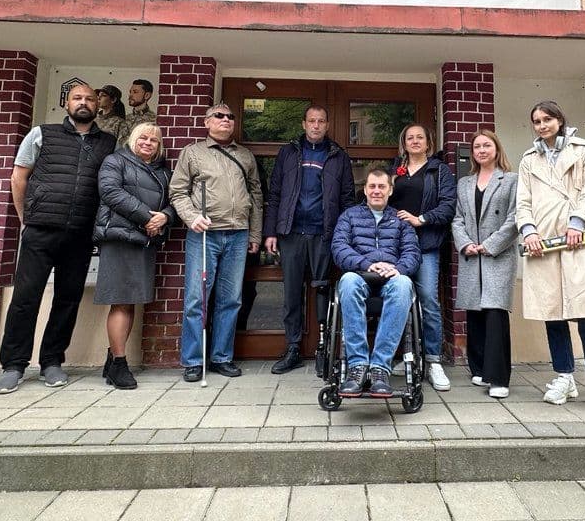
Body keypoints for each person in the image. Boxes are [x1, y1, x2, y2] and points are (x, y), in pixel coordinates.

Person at [0, 83, 117, 394]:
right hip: (41, 229)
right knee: (26, 297)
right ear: (67, 103)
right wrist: (25, 218)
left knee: (67, 299)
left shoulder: (108, 142)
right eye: (77, 98)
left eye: (90, 98)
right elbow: (18, 176)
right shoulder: (42, 134)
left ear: (98, 105)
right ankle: (14, 364)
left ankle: (52, 361)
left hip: (79, 232)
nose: (84, 103)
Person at [517, 100, 585, 415]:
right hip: (543, 245)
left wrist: (578, 222)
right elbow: (523, 200)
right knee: (554, 315)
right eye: (536, 121)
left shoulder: (584, 151)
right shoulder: (528, 160)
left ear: (560, 120)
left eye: (547, 119)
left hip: (578, 243)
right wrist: (529, 232)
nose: (542, 125)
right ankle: (564, 377)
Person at [169, 103, 263, 382]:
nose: (226, 120)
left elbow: (256, 197)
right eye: (219, 116)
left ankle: (222, 356)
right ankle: (194, 360)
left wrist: (255, 234)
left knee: (231, 299)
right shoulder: (193, 152)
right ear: (207, 122)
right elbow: (177, 192)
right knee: (197, 298)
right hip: (204, 234)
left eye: (230, 116)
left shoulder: (245, 155)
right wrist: (191, 217)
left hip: (238, 234)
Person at [263, 105, 355, 374]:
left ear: (327, 125)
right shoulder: (288, 152)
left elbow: (348, 199)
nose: (316, 125)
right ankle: (292, 348)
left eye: (321, 121)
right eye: (311, 121)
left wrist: (345, 235)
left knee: (323, 291)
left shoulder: (339, 156)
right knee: (292, 293)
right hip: (291, 233)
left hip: (324, 234)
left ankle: (323, 349)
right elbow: (275, 194)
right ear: (304, 124)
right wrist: (271, 231)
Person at [93, 122, 177, 390]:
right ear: (132, 139)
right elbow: (110, 192)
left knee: (130, 302)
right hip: (119, 239)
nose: (148, 143)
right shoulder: (115, 161)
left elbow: (175, 201)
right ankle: (119, 363)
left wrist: (165, 216)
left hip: (144, 240)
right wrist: (147, 218)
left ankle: (112, 359)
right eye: (143, 137)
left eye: (154, 140)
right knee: (121, 302)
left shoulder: (163, 172)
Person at [330, 168, 420, 397]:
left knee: (403, 285)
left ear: (390, 190)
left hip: (391, 278)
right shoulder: (349, 216)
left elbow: (412, 253)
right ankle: (358, 367)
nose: (376, 191)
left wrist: (397, 269)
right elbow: (339, 248)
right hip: (360, 274)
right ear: (365, 190)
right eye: (372, 186)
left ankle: (380, 368)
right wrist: (366, 264)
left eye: (382, 186)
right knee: (347, 281)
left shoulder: (400, 221)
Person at [450, 130, 518, 399]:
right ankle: (479, 369)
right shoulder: (465, 183)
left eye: (486, 145)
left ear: (496, 148)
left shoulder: (511, 180)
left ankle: (499, 377)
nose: (481, 150)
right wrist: (464, 243)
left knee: (495, 312)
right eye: (476, 146)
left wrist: (490, 245)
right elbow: (457, 218)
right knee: (475, 313)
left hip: (497, 255)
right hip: (471, 254)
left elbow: (516, 217)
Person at [390, 123, 457, 391]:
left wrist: (422, 219)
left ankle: (433, 361)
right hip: (396, 247)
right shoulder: (395, 170)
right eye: (410, 138)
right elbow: (380, 198)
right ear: (404, 143)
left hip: (426, 244)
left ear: (428, 143)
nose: (415, 141)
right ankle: (406, 356)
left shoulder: (439, 170)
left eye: (420, 137)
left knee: (428, 299)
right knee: (398, 299)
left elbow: (449, 206)